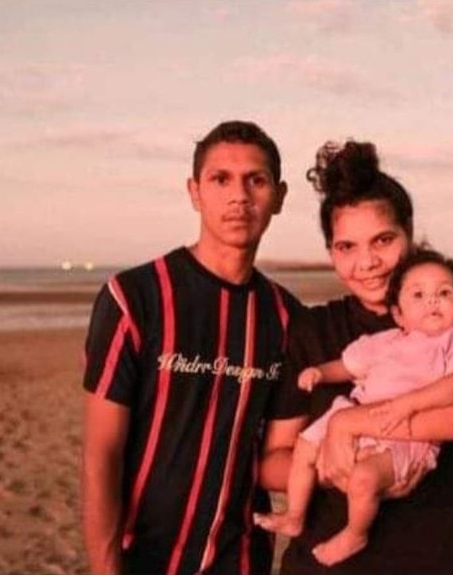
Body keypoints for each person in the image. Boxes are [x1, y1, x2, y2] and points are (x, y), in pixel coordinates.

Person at [259, 140, 453, 574]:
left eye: (383, 240)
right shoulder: (312, 330)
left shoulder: (451, 302)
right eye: (346, 247)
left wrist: (351, 423)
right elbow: (273, 457)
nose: (367, 262)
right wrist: (340, 466)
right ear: (330, 251)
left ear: (409, 232)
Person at [81, 120, 305, 575]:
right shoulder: (134, 298)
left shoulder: (288, 319)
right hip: (142, 560)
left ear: (279, 197)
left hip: (242, 560)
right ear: (194, 192)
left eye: (256, 180)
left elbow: (277, 455)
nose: (239, 196)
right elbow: (101, 453)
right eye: (220, 179)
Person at [255, 247, 453, 566]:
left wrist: (408, 404)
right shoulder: (387, 341)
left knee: (364, 479)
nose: (432, 301)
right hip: (356, 412)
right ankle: (295, 515)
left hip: (405, 436)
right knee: (304, 446)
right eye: (418, 294)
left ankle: (356, 533)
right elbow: (349, 365)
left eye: (444, 293)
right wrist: (320, 372)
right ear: (398, 313)